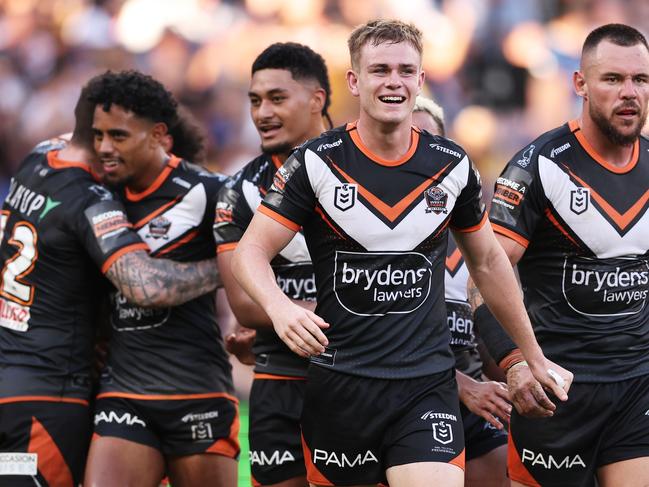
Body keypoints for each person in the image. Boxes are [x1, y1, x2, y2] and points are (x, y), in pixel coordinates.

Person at [231, 19, 570, 487]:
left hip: (425, 388)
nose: (394, 81)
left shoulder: (451, 165)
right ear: (354, 81)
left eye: (405, 71)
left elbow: (489, 264)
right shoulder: (314, 162)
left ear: (421, 79)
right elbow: (249, 253)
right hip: (341, 386)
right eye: (380, 70)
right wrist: (280, 308)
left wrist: (532, 357)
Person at [0, 79, 220, 487]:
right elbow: (145, 287)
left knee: (8, 476)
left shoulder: (37, 158)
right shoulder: (90, 199)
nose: (109, 150)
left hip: (8, 383)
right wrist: (228, 268)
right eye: (107, 136)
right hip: (47, 397)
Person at [472, 23, 649, 487]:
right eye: (612, 79)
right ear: (581, 84)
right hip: (556, 393)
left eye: (641, 80)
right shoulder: (539, 167)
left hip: (636, 387)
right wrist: (514, 363)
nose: (629, 93)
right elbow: (482, 279)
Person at [83, 70, 237, 487]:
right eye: (98, 136)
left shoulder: (211, 192)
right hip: (123, 391)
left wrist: (258, 318)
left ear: (157, 134)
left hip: (197, 387)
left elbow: (273, 257)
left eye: (118, 136)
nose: (104, 148)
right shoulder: (97, 197)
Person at [214, 42, 331, 487]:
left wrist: (284, 308)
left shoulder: (363, 167)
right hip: (279, 381)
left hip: (360, 377)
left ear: (317, 99)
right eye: (255, 100)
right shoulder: (238, 191)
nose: (262, 112)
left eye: (277, 99)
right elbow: (245, 305)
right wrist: (356, 308)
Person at [412, 96, 509, 487]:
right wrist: (463, 386)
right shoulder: (369, 236)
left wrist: (519, 373)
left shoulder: (475, 243)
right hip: (404, 393)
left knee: (507, 454)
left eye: (427, 141)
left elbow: (489, 330)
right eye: (406, 139)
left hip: (472, 399)